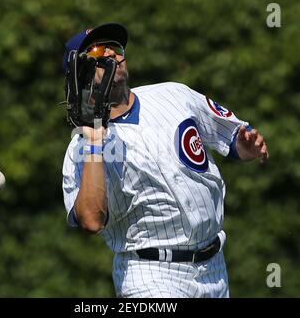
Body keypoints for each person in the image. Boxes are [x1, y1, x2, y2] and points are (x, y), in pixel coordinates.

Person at [61, 23, 269, 298]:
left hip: (215, 268)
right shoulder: (80, 148)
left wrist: (244, 147)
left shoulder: (173, 94)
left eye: (116, 47)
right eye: (99, 50)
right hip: (150, 274)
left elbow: (231, 138)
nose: (112, 54)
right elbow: (91, 220)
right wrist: (95, 143)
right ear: (81, 73)